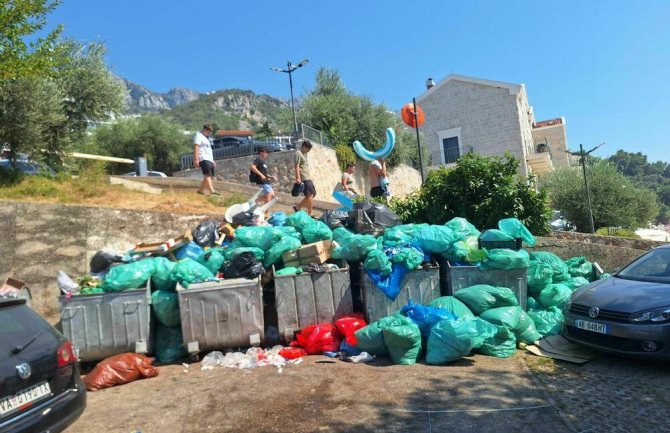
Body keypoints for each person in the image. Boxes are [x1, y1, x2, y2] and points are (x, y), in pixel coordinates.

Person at [250, 146, 276, 218]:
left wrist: (271, 177)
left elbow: (264, 173)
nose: (267, 154)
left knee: (272, 196)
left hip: (266, 181)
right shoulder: (258, 159)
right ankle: (266, 213)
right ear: (261, 152)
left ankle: (256, 201)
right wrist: (261, 175)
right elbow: (253, 167)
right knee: (268, 195)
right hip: (262, 181)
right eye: (266, 152)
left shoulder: (263, 162)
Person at [194, 123, 219, 195]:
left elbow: (209, 150)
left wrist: (212, 160)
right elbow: (196, 147)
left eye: (210, 132)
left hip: (209, 159)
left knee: (210, 176)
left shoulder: (207, 139)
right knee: (207, 174)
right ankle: (212, 191)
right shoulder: (198, 136)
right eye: (208, 132)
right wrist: (196, 159)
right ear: (205, 129)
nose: (209, 133)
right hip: (203, 158)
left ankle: (200, 191)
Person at [293, 139, 316, 215]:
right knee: (310, 195)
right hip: (303, 178)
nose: (309, 150)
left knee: (313, 194)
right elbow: (296, 166)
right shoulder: (298, 153)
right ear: (304, 146)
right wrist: (298, 178)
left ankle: (298, 207)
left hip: (307, 177)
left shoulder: (304, 154)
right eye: (308, 149)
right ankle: (310, 213)